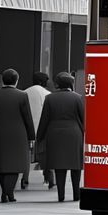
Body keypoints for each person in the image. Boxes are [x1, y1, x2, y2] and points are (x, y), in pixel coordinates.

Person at [0, 69, 36, 202]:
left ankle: (5, 192)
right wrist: (31, 136)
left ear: (2, 80)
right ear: (16, 80)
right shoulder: (22, 95)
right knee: (15, 163)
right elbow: (27, 117)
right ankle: (9, 192)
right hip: (18, 132)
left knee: (1, 163)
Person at [36, 72, 86, 202]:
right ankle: (76, 195)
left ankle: (61, 195)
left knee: (59, 166)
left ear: (58, 84)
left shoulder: (50, 98)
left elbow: (44, 120)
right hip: (74, 134)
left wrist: (39, 137)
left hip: (55, 134)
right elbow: (84, 119)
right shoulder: (78, 98)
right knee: (76, 166)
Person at [25, 72, 51, 190]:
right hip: (43, 128)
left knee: (26, 154)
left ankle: (25, 178)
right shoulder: (48, 94)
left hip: (26, 127)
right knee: (45, 154)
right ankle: (48, 177)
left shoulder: (24, 92)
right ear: (42, 82)